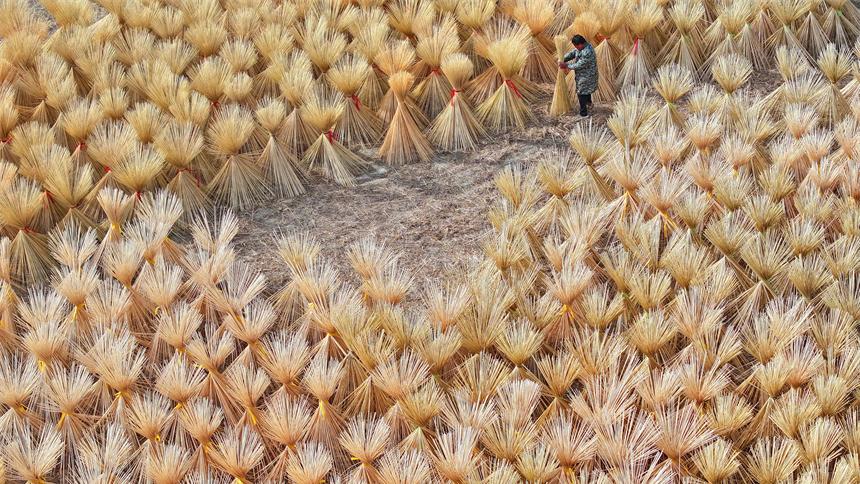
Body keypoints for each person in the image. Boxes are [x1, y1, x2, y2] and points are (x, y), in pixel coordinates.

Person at [560, 35, 598, 118]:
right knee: (586, 90)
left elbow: (579, 64)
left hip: (587, 75)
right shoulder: (581, 47)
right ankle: (589, 103)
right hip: (583, 74)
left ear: (581, 44)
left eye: (576, 45)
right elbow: (573, 53)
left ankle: (583, 113)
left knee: (581, 92)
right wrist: (563, 58)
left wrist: (566, 65)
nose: (575, 47)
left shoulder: (588, 52)